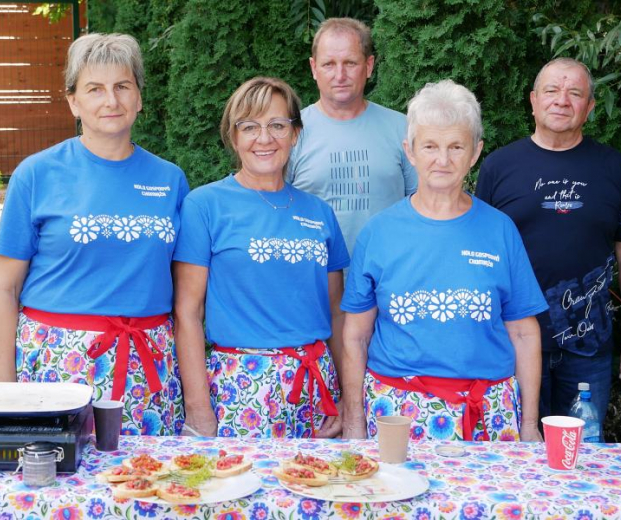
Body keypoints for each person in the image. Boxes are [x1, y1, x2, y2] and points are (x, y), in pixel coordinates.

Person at [0, 33, 189, 435]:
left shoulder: (170, 180)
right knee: (57, 489)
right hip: (58, 367)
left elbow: (186, 297)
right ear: (74, 102)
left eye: (122, 87)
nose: (110, 101)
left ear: (139, 98)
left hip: (149, 365)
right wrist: (2, 395)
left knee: (146, 491)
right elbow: (4, 290)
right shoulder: (37, 174)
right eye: (94, 89)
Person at [340, 80, 547, 442]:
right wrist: (355, 422)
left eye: (456, 146)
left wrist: (529, 425)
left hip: (489, 413)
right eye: (430, 146)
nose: (443, 159)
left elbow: (524, 333)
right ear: (410, 151)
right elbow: (355, 336)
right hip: (396, 414)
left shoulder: (500, 230)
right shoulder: (378, 233)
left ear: (475, 152)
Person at [476, 58, 621, 433]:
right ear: (533, 100)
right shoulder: (498, 166)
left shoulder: (613, 168)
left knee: (581, 456)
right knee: (516, 452)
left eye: (575, 93)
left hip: (588, 345)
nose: (562, 100)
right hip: (514, 341)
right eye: (552, 91)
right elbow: (479, 256)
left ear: (589, 108)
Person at [173, 77, 350, 439]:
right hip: (242, 391)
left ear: (295, 133)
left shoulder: (319, 213)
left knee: (317, 492)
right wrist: (198, 408)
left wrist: (348, 395)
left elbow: (337, 313)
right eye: (249, 127)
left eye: (277, 125)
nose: (264, 138)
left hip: (316, 387)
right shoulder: (205, 206)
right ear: (233, 137)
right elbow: (188, 313)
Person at [288, 18, 417, 254]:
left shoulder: (403, 128)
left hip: (386, 277)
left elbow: (423, 207)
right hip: (315, 281)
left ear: (368, 66)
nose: (340, 75)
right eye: (329, 64)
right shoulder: (292, 132)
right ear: (313, 68)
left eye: (350, 63)